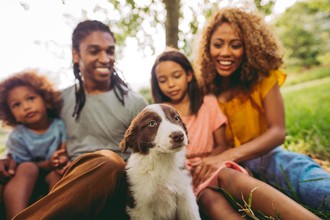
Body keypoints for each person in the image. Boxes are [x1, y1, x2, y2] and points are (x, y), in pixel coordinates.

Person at [0, 20, 148, 219]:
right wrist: (9, 160)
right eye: (95, 51)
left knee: (108, 161)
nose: (105, 58)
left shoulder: (136, 104)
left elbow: (149, 158)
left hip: (116, 179)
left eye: (110, 51)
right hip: (70, 179)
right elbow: (32, 131)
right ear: (76, 55)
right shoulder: (59, 101)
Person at [150, 48, 319, 219]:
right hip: (184, 177)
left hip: (213, 164)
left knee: (232, 178)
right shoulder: (159, 115)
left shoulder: (207, 103)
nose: (170, 84)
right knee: (210, 201)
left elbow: (222, 144)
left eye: (176, 76)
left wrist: (206, 163)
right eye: (163, 80)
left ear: (189, 75)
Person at [194, 7, 330, 212]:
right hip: (226, 172)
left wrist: (227, 155)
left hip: (263, 156)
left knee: (291, 168)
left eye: (236, 45)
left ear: (248, 47)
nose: (225, 52)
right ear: (208, 48)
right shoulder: (204, 89)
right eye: (218, 44)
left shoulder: (263, 77)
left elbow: (277, 132)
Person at [0, 71, 68, 219]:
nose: (26, 107)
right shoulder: (18, 135)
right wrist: (46, 164)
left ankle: (54, 215)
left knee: (57, 174)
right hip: (28, 178)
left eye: (31, 99)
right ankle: (17, 217)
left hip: (52, 173)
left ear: (45, 99)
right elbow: (17, 166)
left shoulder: (59, 126)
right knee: (27, 167)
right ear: (10, 113)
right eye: (16, 104)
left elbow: (63, 149)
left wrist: (60, 158)